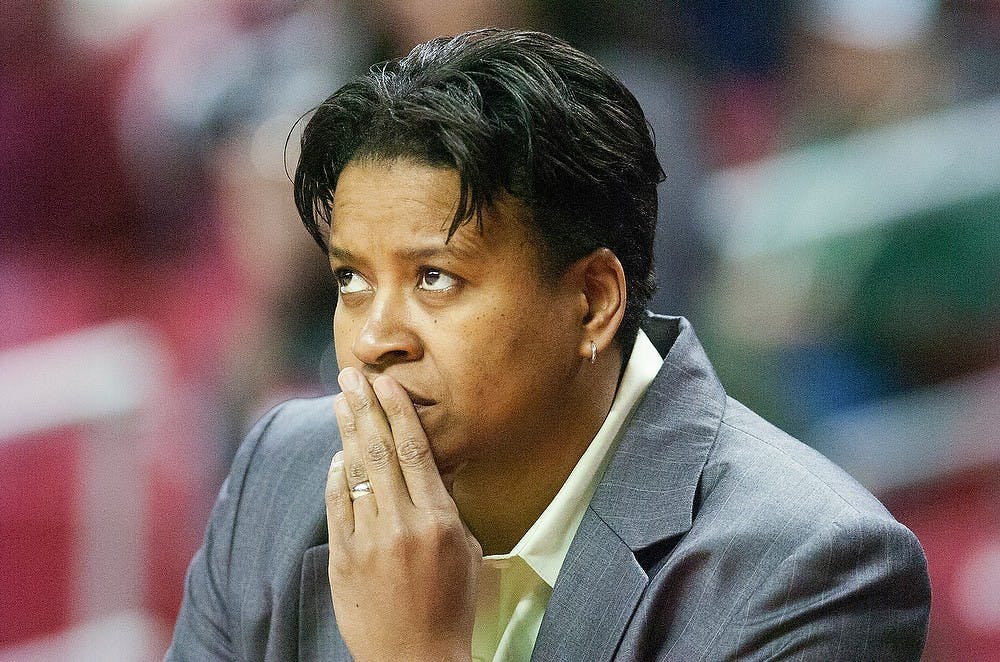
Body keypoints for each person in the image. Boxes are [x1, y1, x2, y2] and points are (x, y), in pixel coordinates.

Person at [166, 29, 930, 661]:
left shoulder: (809, 571)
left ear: (593, 302)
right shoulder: (279, 473)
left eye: (435, 277)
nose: (372, 341)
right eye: (351, 280)